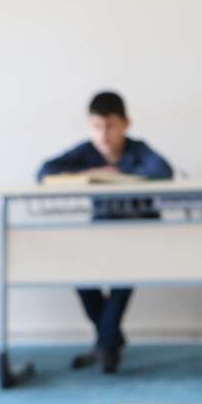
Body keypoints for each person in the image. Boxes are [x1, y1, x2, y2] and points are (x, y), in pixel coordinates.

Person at [36, 91, 173, 373]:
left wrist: (121, 176)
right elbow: (44, 172)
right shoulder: (87, 152)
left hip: (138, 231)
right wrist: (90, 174)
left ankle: (107, 346)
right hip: (101, 231)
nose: (103, 135)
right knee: (79, 274)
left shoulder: (137, 150)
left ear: (125, 124)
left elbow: (163, 172)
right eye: (96, 127)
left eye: (110, 126)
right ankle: (109, 339)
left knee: (124, 276)